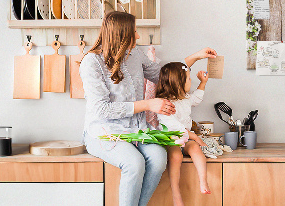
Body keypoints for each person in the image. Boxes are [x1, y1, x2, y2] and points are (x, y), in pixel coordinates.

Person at [79, 11, 217, 206]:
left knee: (159, 159)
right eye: (134, 31)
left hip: (138, 131)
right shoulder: (92, 63)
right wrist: (147, 104)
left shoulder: (135, 54)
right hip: (104, 133)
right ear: (122, 35)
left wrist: (196, 56)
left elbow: (164, 75)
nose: (138, 36)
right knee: (134, 164)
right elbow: (101, 109)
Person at [156, 62, 211, 206]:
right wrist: (195, 136)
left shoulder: (185, 98)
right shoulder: (165, 103)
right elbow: (173, 127)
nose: (190, 80)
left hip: (186, 138)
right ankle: (176, 193)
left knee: (196, 149)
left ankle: (203, 181)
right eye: (188, 78)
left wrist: (203, 83)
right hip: (171, 138)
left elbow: (197, 99)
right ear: (177, 83)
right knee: (176, 156)